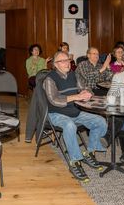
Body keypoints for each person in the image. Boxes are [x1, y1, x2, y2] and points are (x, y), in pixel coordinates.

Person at [44, 51, 107, 181]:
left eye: (68, 60)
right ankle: (75, 161)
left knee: (100, 121)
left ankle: (90, 151)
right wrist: (77, 96)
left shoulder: (73, 75)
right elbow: (54, 100)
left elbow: (85, 88)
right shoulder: (50, 79)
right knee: (69, 125)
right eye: (63, 61)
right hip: (56, 113)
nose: (68, 63)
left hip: (75, 110)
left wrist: (85, 92)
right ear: (55, 65)